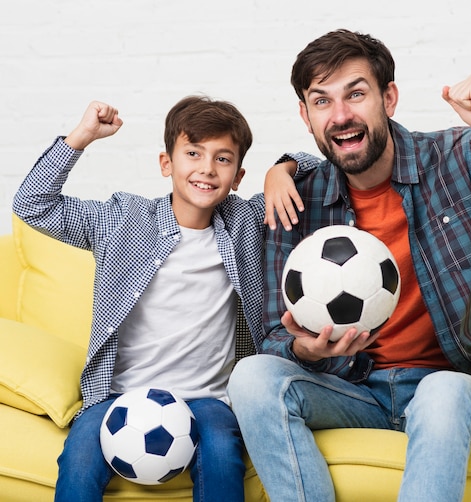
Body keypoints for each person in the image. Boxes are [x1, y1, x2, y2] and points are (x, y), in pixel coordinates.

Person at [227, 29, 471, 502]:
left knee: (440, 394)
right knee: (250, 377)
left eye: (356, 93)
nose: (341, 114)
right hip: (353, 389)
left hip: (455, 386)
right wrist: (307, 353)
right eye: (322, 101)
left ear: (388, 98)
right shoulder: (295, 199)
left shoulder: (461, 158)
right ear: (306, 117)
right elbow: (273, 336)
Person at [12, 96, 316, 502]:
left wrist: (282, 169)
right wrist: (80, 138)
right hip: (122, 394)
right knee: (79, 462)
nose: (207, 168)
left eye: (223, 159)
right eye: (193, 153)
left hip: (209, 399)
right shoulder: (122, 219)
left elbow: (322, 167)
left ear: (239, 176)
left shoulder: (244, 222)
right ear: (165, 164)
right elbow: (32, 205)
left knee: (224, 457)